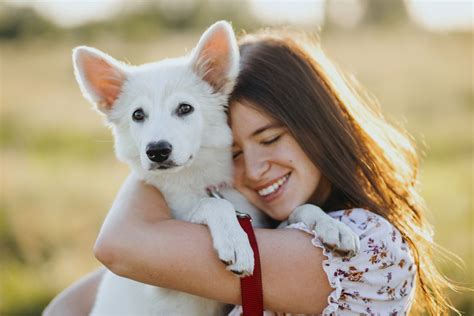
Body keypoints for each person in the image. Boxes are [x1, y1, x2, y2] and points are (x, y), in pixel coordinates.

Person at [44, 30, 456, 315]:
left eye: (272, 138)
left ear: (321, 126)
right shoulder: (264, 220)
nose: (254, 169)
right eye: (235, 150)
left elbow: (118, 245)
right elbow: (64, 307)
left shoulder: (367, 251)